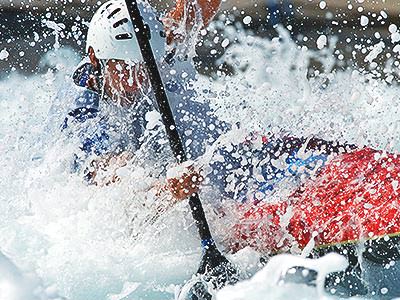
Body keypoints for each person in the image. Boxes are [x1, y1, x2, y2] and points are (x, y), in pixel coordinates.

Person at [62, 0, 400, 298]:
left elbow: (196, 9)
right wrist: (168, 190)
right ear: (95, 58)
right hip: (217, 199)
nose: (137, 78)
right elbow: (118, 188)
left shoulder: (162, 45)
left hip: (249, 160)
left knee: (362, 171)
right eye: (124, 69)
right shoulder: (87, 119)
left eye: (142, 68)